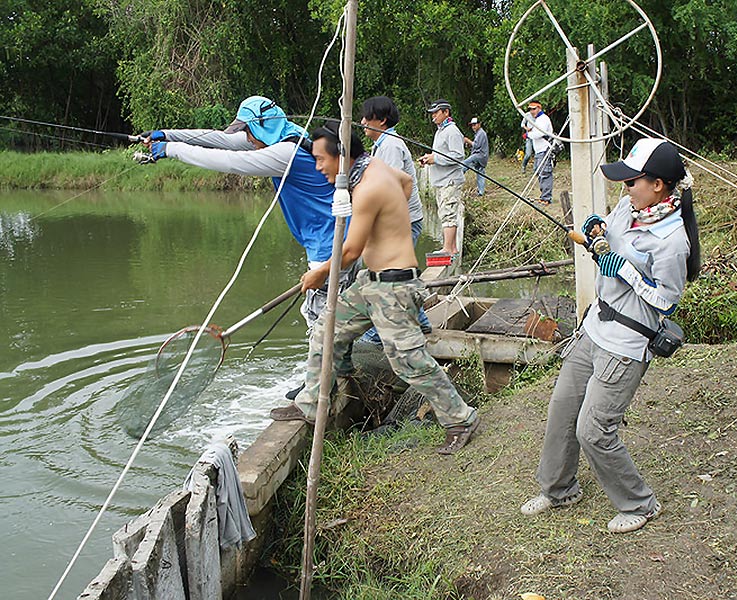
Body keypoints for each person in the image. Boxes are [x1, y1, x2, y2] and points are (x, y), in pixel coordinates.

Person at [520, 138, 701, 533]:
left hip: (626, 344)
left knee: (594, 429)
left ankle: (639, 504)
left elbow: (668, 303)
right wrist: (595, 228)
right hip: (594, 328)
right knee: (562, 410)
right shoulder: (630, 205)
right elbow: (609, 232)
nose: (625, 188)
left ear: (658, 186)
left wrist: (629, 272)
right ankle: (558, 489)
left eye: (632, 181)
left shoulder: (672, 241)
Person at [271, 123, 480, 454]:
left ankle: (461, 418)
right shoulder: (376, 167)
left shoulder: (367, 187)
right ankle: (314, 401)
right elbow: (406, 182)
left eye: (321, 160)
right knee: (327, 328)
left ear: (342, 157)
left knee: (409, 361)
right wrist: (391, 220)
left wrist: (318, 275)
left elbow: (351, 251)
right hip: (371, 281)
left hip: (394, 288)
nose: (317, 167)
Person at [137, 95, 358, 331]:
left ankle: (330, 367)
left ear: (261, 126)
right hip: (341, 240)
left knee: (322, 325)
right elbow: (222, 140)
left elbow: (230, 161)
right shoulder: (289, 133)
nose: (248, 139)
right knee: (338, 318)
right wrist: (168, 134)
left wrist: (171, 149)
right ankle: (347, 360)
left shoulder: (286, 154)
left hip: (328, 247)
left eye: (249, 131)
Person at [358, 95, 431, 337]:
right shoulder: (382, 144)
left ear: (382, 121)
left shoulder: (390, 146)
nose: (362, 121)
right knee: (398, 276)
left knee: (391, 278)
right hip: (401, 221)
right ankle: (420, 322)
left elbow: (390, 188)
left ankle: (379, 334)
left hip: (403, 222)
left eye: (367, 117)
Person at [418, 99, 465, 256]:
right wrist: (429, 158)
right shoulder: (440, 131)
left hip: (450, 180)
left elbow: (458, 156)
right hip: (442, 180)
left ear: (446, 112)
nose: (433, 116)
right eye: (432, 113)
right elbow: (441, 154)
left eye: (436, 113)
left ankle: (447, 249)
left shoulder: (452, 131)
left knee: (448, 213)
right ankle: (452, 248)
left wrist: (436, 159)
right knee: (445, 212)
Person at [526, 101, 555, 205]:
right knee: (538, 171)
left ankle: (546, 198)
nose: (532, 111)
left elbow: (539, 133)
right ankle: (544, 195)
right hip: (539, 150)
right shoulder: (538, 120)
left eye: (534, 109)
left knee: (545, 173)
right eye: (530, 109)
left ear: (539, 108)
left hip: (544, 149)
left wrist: (528, 135)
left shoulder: (543, 119)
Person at [463, 117, 489, 196]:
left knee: (464, 164)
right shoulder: (478, 133)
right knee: (480, 172)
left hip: (479, 155)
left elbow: (476, 145)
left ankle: (456, 177)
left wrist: (467, 140)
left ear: (479, 124)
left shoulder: (481, 133)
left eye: (474, 125)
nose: (473, 127)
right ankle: (481, 192)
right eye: (472, 125)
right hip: (482, 156)